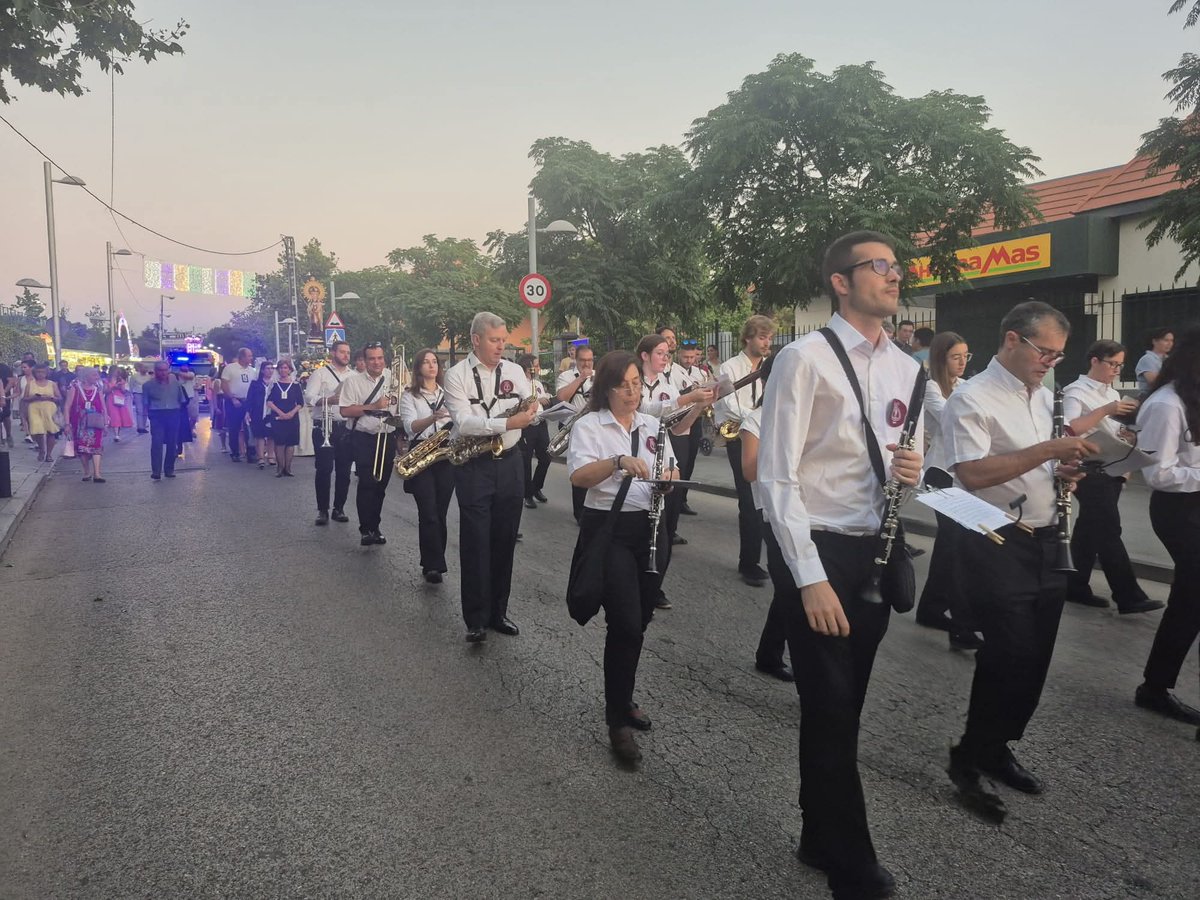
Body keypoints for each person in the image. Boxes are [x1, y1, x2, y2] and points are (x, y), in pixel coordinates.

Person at [757, 231, 922, 900]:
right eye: (878, 266)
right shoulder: (803, 358)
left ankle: (816, 832)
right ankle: (853, 865)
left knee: (842, 707)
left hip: (873, 551)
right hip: (815, 546)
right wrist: (811, 576)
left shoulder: (908, 369)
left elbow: (905, 466)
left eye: (896, 265)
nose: (893, 274)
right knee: (828, 704)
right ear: (842, 282)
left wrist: (913, 473)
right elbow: (776, 478)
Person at [942, 300, 1097, 820]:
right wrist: (1050, 450)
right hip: (997, 536)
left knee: (1036, 656)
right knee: (1010, 651)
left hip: (1048, 535)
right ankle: (970, 752)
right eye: (1044, 352)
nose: (1050, 362)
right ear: (1012, 339)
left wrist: (1064, 472)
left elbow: (1038, 465)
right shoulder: (972, 397)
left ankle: (997, 744)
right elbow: (973, 474)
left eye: (1058, 355)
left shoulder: (1043, 396)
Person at [567, 350, 680, 763]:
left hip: (650, 528)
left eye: (637, 383)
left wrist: (666, 479)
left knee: (641, 617)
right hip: (609, 529)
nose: (632, 391)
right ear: (607, 388)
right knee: (626, 621)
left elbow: (669, 468)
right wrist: (616, 462)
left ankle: (624, 696)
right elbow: (579, 477)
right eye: (624, 385)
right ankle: (617, 720)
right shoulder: (590, 425)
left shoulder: (653, 425)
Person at [443, 312, 541, 642]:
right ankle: (475, 619)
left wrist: (533, 412)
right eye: (495, 340)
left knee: (504, 540)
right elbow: (465, 422)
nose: (501, 346)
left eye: (504, 341)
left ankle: (498, 612)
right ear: (476, 340)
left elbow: (530, 406)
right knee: (475, 542)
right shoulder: (456, 375)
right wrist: (507, 424)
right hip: (474, 465)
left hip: (511, 462)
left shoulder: (514, 371)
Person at [1132, 323, 1200, 733]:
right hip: (1178, 510)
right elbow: (1157, 474)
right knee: (1190, 598)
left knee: (1191, 599)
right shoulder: (1165, 405)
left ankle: (1155, 685)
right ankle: (1155, 688)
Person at [1063, 340, 1162, 614]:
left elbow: (1112, 429)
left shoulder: (1112, 392)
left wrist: (1127, 445)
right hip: (1089, 466)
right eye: (1112, 364)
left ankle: (1074, 585)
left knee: (1090, 529)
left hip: (1112, 465)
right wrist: (1105, 411)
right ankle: (1128, 594)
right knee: (1108, 530)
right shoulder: (1076, 391)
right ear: (1095, 361)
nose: (1116, 370)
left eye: (1120, 365)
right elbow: (1069, 428)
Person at [915, 332, 983, 650]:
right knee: (958, 550)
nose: (962, 362)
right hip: (940, 475)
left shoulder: (966, 387)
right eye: (956, 356)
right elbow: (953, 421)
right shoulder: (931, 387)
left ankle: (930, 609)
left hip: (961, 476)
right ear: (942, 358)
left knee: (949, 548)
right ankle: (962, 624)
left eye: (966, 356)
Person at [637, 332, 713, 608]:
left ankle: (655, 586)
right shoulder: (635, 382)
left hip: (665, 454)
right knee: (646, 527)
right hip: (639, 456)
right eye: (659, 352)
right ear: (645, 356)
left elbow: (679, 428)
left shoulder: (668, 387)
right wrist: (686, 398)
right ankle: (640, 585)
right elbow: (646, 410)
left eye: (666, 353)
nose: (665, 357)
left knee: (666, 529)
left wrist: (698, 406)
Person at [735, 355, 792, 683]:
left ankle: (770, 652)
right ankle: (772, 653)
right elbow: (750, 470)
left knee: (794, 586)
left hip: (807, 507)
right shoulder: (756, 420)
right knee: (791, 585)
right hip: (773, 509)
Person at [714, 315, 775, 586]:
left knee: (768, 500)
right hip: (739, 435)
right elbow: (728, 404)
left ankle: (769, 557)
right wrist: (758, 417)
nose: (766, 342)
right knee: (749, 501)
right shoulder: (729, 366)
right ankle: (748, 563)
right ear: (748, 337)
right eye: (762, 337)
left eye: (769, 338)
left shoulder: (771, 366)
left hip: (767, 434)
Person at [399, 348, 455, 583]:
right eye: (426, 362)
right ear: (418, 367)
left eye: (435, 362)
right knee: (428, 512)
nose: (432, 366)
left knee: (440, 512)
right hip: (421, 453)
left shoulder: (449, 394)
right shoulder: (409, 396)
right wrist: (433, 418)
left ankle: (435, 558)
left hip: (445, 454)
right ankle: (433, 565)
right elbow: (410, 427)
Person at [340, 342, 401, 546]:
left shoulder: (394, 378)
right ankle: (366, 529)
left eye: (380, 358)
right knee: (367, 483)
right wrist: (373, 406)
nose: (377, 362)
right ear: (364, 361)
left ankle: (375, 526)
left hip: (387, 435)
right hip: (364, 438)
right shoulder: (353, 382)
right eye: (372, 358)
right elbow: (345, 411)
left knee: (381, 485)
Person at [306, 341, 354, 526]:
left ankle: (339, 508)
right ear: (333, 353)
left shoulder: (354, 375)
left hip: (345, 427)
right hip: (324, 426)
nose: (346, 356)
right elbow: (309, 397)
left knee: (344, 471)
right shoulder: (320, 374)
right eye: (342, 352)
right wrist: (328, 399)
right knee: (324, 470)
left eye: (348, 352)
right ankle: (322, 510)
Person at [555, 344, 596, 523]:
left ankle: (594, 507)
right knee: (580, 468)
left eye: (590, 360)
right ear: (576, 360)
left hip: (595, 428)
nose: (587, 364)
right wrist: (581, 379)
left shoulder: (599, 376)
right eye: (583, 360)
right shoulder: (566, 376)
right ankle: (580, 513)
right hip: (573, 428)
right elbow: (562, 397)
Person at [669, 339, 706, 521]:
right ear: (679, 354)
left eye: (692, 357)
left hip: (696, 418)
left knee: (690, 459)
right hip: (679, 419)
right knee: (680, 462)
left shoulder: (700, 373)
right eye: (685, 356)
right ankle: (674, 499)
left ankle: (682, 498)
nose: (689, 360)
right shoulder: (673, 371)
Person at [517, 354, 553, 510]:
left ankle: (536, 486)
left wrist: (546, 402)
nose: (538, 368)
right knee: (526, 462)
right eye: (536, 365)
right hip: (527, 426)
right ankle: (527, 495)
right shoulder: (519, 384)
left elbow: (544, 399)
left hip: (541, 423)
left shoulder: (537, 383)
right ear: (528, 367)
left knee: (546, 457)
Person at [65, 366, 107, 482]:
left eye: (97, 374)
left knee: (97, 446)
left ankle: (97, 473)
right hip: (80, 423)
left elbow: (103, 405)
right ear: (86, 376)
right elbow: (67, 406)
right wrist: (67, 424)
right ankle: (86, 472)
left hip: (96, 421)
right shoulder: (75, 387)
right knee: (82, 447)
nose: (97, 377)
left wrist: (106, 421)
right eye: (94, 375)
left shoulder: (98, 388)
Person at [144, 360, 185, 480]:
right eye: (160, 370)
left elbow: (181, 400)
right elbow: (145, 403)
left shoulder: (176, 384)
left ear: (168, 370)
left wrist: (178, 414)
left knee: (172, 443)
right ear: (156, 371)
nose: (163, 373)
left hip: (173, 413)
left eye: (165, 370)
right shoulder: (148, 385)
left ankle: (169, 469)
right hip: (157, 414)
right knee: (157, 442)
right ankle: (156, 471)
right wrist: (149, 416)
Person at [220, 348, 257, 462]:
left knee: (249, 428)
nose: (251, 358)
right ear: (242, 357)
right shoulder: (230, 368)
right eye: (249, 356)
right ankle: (235, 452)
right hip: (234, 402)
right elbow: (224, 384)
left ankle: (251, 453)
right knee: (234, 428)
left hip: (248, 402)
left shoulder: (252, 370)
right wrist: (232, 398)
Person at [267, 359, 302, 477]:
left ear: (290, 370)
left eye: (285, 368)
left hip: (292, 417)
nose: (283, 370)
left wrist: (291, 413)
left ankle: (288, 468)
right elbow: (269, 401)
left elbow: (300, 403)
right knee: (279, 443)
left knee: (290, 443)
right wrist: (280, 413)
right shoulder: (274, 384)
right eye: (281, 368)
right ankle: (280, 468)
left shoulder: (296, 385)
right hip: (278, 417)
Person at [23, 362, 61, 462]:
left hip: (49, 409)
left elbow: (59, 398)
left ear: (47, 373)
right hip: (34, 408)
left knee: (51, 432)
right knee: (38, 431)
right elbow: (25, 398)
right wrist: (34, 397)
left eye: (43, 372)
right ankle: (41, 450)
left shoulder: (52, 384)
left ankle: (49, 454)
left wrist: (50, 397)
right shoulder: (30, 384)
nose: (40, 374)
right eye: (38, 372)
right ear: (35, 373)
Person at [246, 362, 275, 469]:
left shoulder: (275, 384)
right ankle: (261, 457)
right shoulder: (255, 384)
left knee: (271, 435)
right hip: (258, 412)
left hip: (271, 412)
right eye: (267, 368)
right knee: (260, 435)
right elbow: (250, 398)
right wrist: (247, 412)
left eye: (272, 368)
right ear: (262, 370)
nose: (270, 370)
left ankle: (271, 456)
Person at [1136, 327, 1174, 393]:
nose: (1170, 343)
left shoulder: (1169, 359)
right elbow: (1154, 382)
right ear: (1154, 341)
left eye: (1171, 340)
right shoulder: (1147, 359)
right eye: (1166, 340)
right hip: (1149, 397)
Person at [105, 367, 134, 442]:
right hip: (111, 398)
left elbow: (124, 391)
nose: (117, 374)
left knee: (120, 416)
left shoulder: (121, 380)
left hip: (120, 399)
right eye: (116, 372)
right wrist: (113, 386)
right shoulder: (107, 380)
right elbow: (106, 391)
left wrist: (122, 385)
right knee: (114, 416)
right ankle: (116, 434)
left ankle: (117, 433)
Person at [128, 362, 150, 433]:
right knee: (139, 411)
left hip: (146, 394)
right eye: (144, 367)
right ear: (140, 368)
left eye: (146, 368)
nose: (145, 369)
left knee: (145, 411)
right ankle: (140, 427)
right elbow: (131, 386)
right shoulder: (134, 376)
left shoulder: (148, 377)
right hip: (138, 394)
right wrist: (131, 395)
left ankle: (143, 426)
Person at [0, 360, 14, 448]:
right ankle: (1, 438)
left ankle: (8, 435)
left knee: (5, 416)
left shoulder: (5, 368)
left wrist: (3, 394)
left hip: (4, 396)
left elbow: (11, 382)